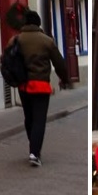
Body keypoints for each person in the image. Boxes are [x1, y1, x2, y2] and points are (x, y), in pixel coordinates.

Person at [15, 10, 71, 167]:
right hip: (40, 85)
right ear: (38, 23)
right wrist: (64, 79)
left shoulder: (16, 40)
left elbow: (8, 60)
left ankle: (33, 145)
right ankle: (34, 152)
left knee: (29, 118)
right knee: (39, 119)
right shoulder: (47, 41)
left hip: (23, 86)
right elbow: (59, 63)